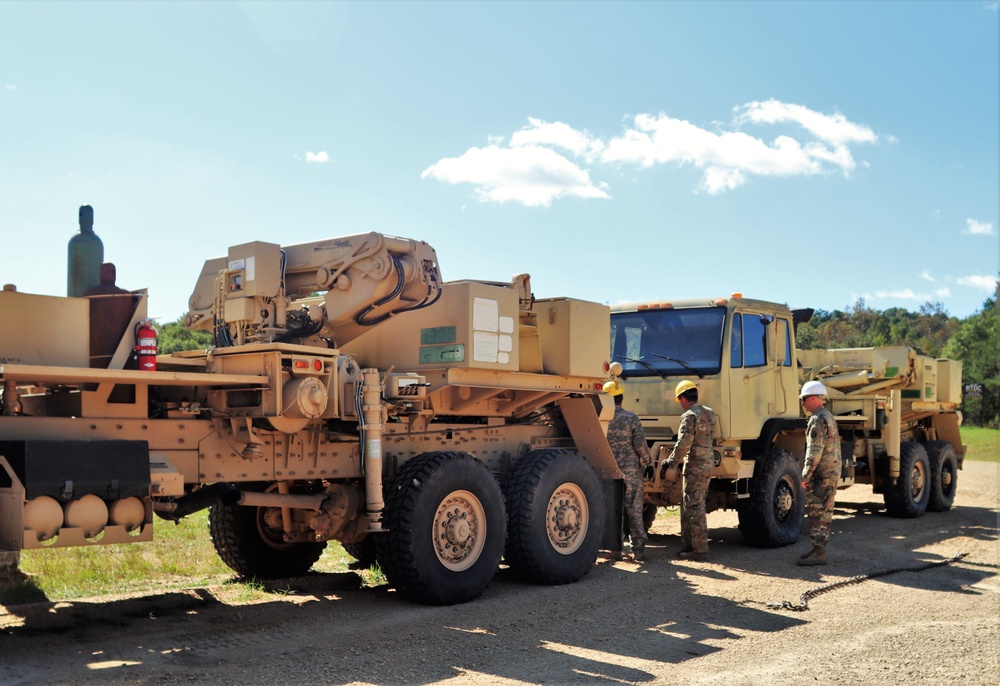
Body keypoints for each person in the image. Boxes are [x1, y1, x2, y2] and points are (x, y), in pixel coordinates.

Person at [661, 380, 717, 562]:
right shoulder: (710, 413)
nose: (680, 403)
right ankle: (689, 545)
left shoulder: (689, 416)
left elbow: (684, 444)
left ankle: (700, 550)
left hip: (694, 466)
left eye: (679, 400)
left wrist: (671, 462)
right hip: (707, 464)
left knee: (694, 506)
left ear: (684, 398)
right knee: (691, 504)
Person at [603, 379, 652, 561]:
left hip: (608, 472)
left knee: (613, 510)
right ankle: (638, 550)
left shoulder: (600, 419)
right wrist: (648, 463)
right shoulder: (631, 418)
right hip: (630, 472)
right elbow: (640, 445)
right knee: (634, 509)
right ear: (621, 398)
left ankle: (615, 550)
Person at [798, 380, 840, 566]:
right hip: (830, 472)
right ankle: (818, 549)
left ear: (814, 398)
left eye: (804, 399)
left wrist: (805, 476)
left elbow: (814, 452)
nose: (802, 403)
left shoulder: (817, 419)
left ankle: (819, 551)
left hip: (821, 474)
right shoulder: (828, 416)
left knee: (817, 513)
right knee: (825, 511)